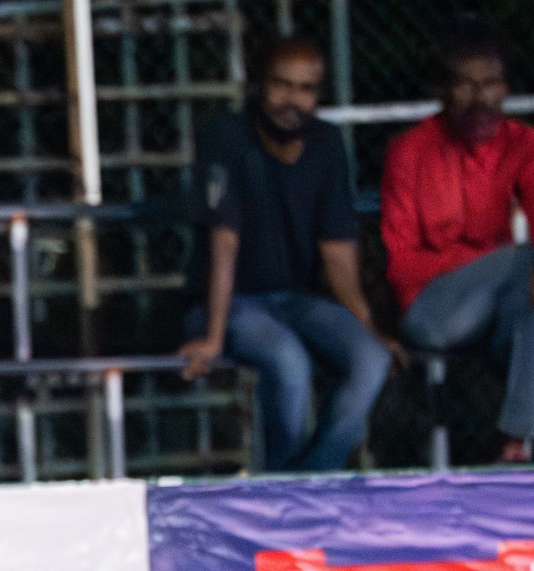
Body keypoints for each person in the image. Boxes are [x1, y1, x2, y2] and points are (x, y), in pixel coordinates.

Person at [180, 38, 399, 472]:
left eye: (306, 89)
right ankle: (284, 484)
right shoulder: (227, 137)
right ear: (259, 85)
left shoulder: (327, 144)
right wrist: (214, 336)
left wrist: (371, 328)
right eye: (281, 85)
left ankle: (313, 476)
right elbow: (224, 242)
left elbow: (337, 252)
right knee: (288, 361)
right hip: (228, 303)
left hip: (296, 300)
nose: (292, 100)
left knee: (372, 358)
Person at [381, 21, 534, 463]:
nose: (480, 98)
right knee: (526, 263)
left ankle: (515, 444)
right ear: (443, 91)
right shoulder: (410, 151)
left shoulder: (523, 144)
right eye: (465, 85)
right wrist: (487, 260)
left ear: (506, 87)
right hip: (430, 311)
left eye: (490, 84)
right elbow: (402, 267)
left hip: (498, 310)